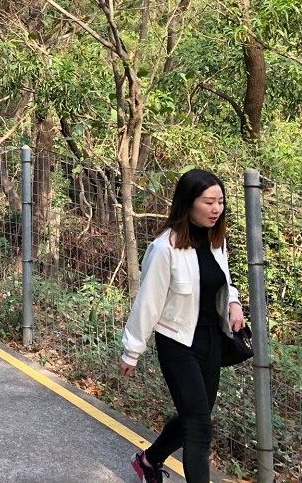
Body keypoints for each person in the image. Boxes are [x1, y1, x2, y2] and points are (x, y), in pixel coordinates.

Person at [120, 169, 246, 483]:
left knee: (196, 416)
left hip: (211, 341)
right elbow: (148, 302)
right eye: (208, 202)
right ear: (188, 203)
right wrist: (132, 350)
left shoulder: (217, 240)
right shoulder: (165, 248)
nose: (216, 209)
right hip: (177, 342)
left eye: (220, 202)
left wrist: (233, 303)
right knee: (200, 427)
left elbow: (223, 281)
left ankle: (149, 460)